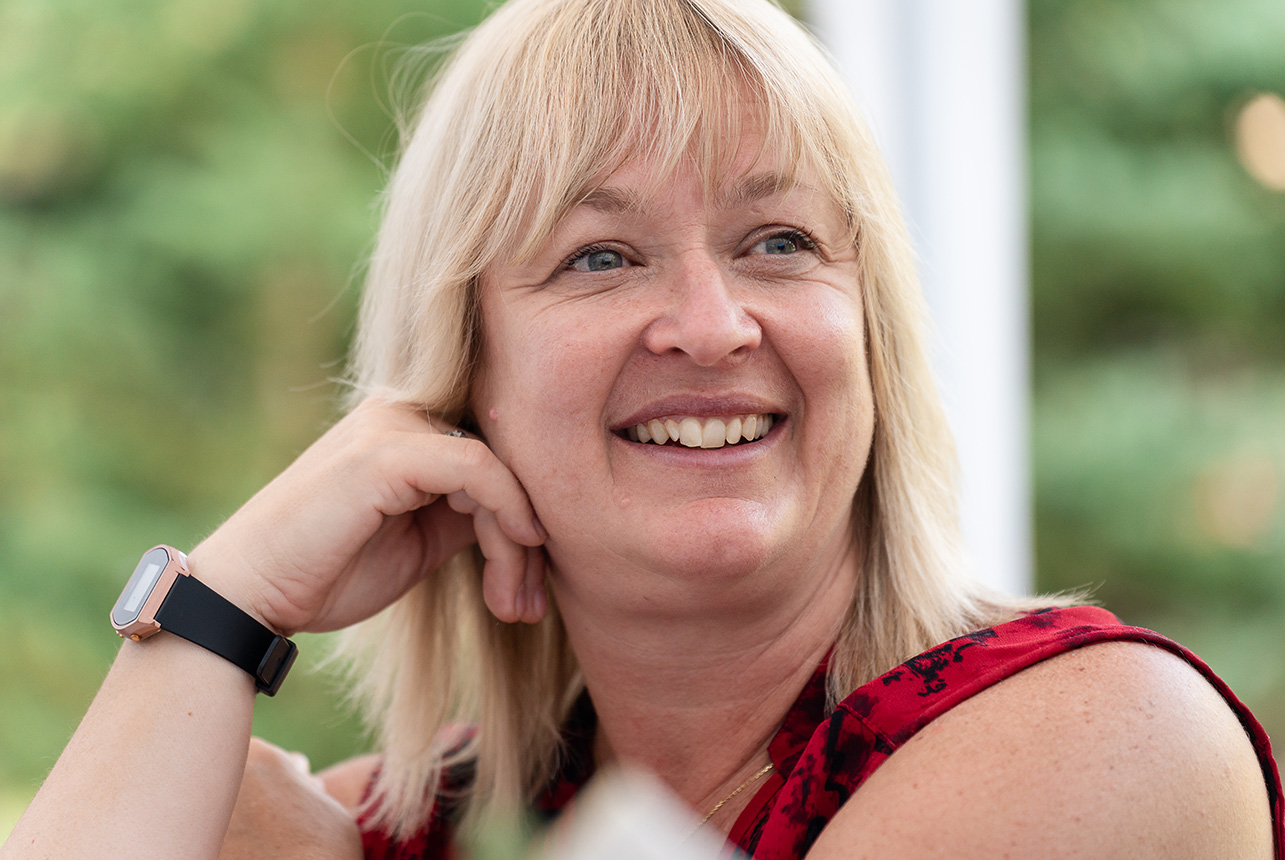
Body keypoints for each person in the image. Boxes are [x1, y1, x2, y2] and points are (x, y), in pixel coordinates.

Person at [3, 0, 1280, 858]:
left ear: (872, 339)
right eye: (600, 255)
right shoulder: (412, 817)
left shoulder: (1103, 737)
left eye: (779, 241)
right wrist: (226, 601)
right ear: (461, 383)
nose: (711, 323)